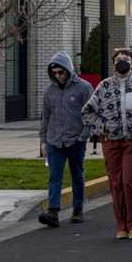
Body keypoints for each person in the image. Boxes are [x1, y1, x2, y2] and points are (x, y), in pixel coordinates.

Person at [81, 48, 132, 238]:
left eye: (126, 59)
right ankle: (121, 225)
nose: (122, 62)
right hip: (112, 142)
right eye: (118, 59)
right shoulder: (104, 86)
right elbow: (87, 112)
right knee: (116, 184)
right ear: (113, 63)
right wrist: (103, 127)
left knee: (129, 181)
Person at [37, 51, 94, 228]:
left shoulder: (84, 88)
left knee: (77, 175)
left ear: (68, 70)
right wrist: (43, 140)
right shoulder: (49, 91)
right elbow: (45, 117)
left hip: (75, 140)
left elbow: (90, 114)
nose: (58, 76)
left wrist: (83, 137)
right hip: (55, 140)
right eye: (54, 73)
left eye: (60, 72)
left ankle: (77, 210)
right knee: (55, 176)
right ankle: (53, 211)